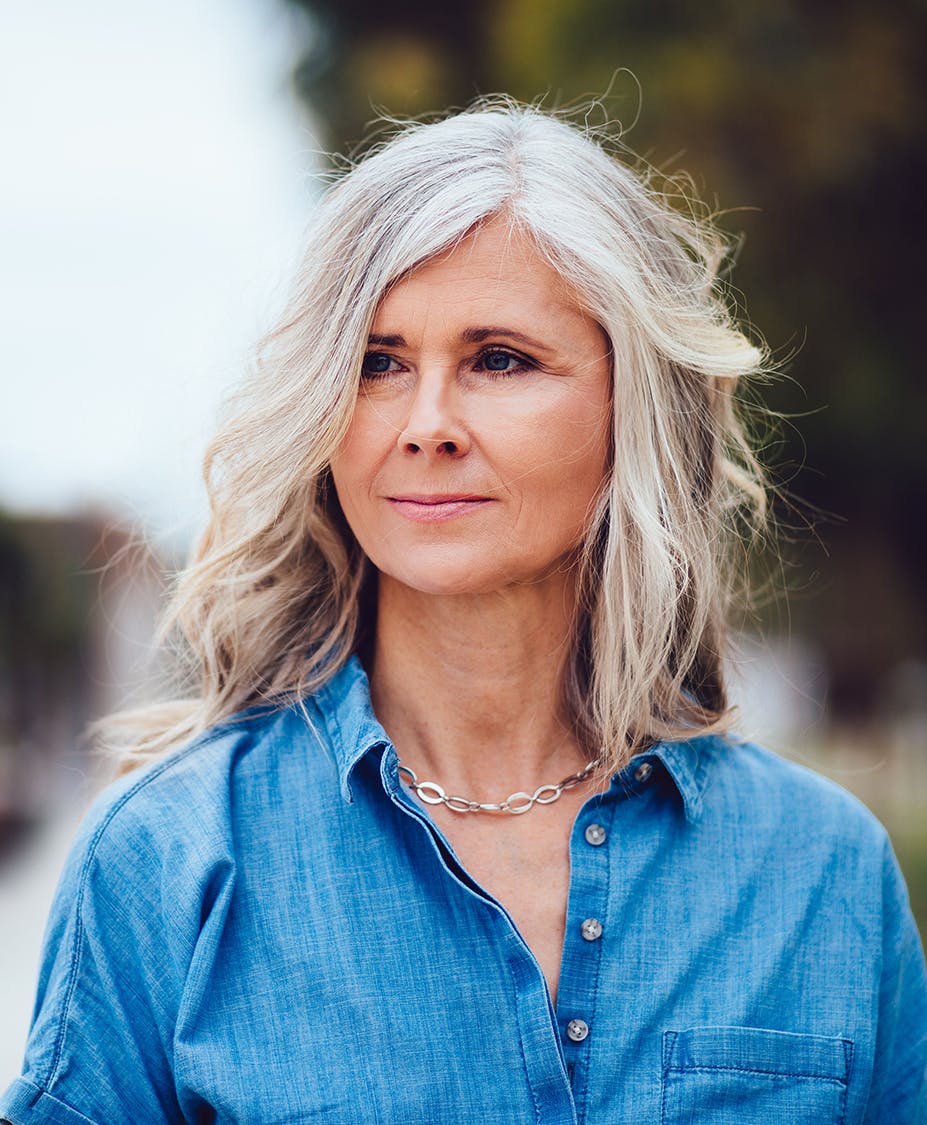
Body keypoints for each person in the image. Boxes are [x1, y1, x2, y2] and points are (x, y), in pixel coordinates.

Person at [2, 99, 925, 1125]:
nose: (427, 424)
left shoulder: (822, 872)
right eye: (379, 363)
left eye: (499, 359)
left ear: (638, 406)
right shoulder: (169, 862)